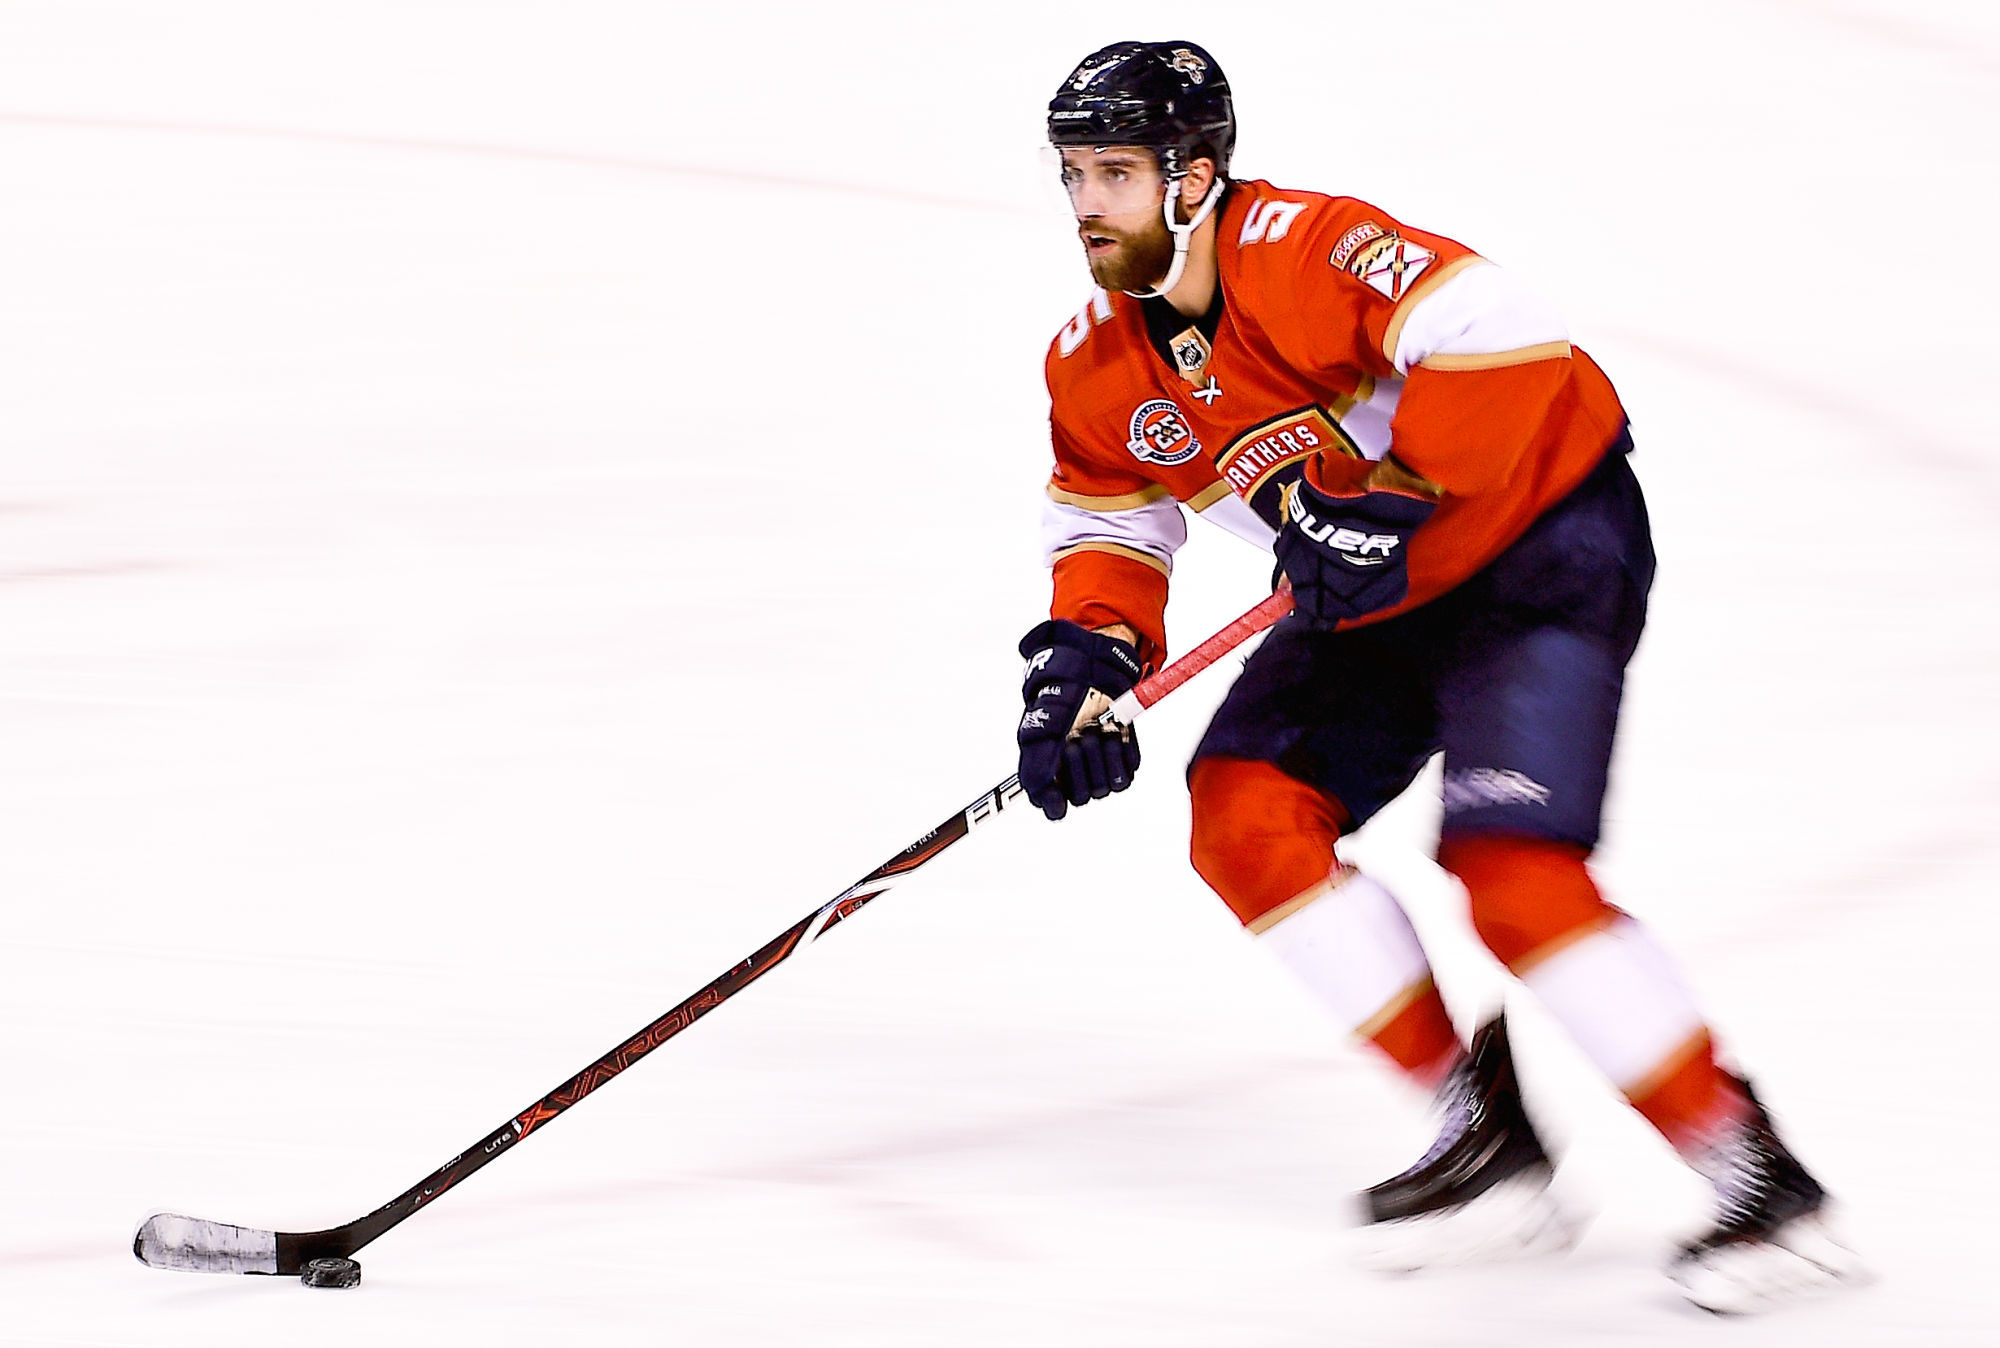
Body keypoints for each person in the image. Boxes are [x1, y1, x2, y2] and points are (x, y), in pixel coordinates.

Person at [1012, 39, 1860, 1314]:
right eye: (1072, 174)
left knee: (1511, 876)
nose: (1085, 206)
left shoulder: (1306, 248)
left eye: (1115, 173)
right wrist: (1084, 662)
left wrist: (1397, 503)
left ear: (1195, 175)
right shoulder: (1091, 361)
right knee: (1244, 816)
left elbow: (1498, 329)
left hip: (1534, 545)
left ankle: (1761, 1182)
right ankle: (1484, 1142)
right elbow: (1110, 522)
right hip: (1372, 589)